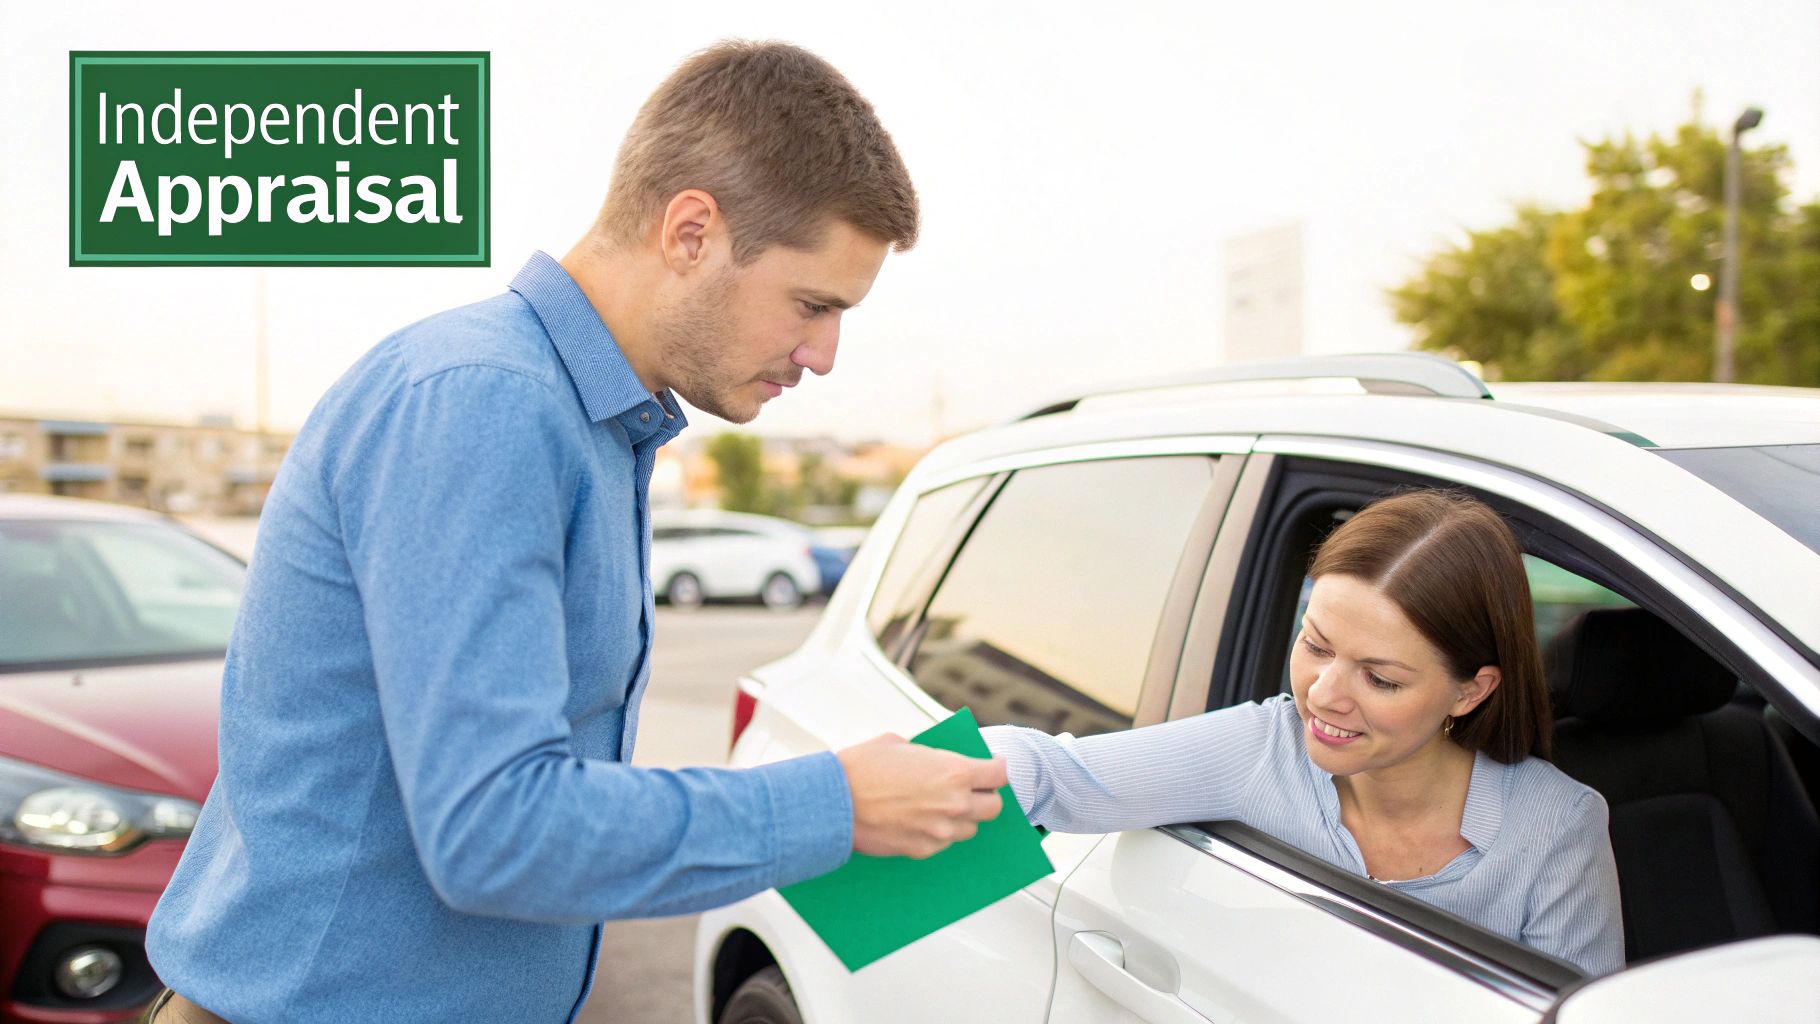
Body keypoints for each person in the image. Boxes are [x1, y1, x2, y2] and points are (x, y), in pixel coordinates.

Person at [142, 41, 1006, 1024]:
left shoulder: (593, 423)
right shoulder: (485, 404)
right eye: (812, 304)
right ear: (690, 231)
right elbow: (493, 831)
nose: (823, 354)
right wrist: (838, 806)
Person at [982, 489, 1625, 976]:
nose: (1321, 695)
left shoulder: (1556, 825)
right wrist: (878, 794)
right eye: (1315, 645)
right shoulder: (1262, 749)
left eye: (1380, 679)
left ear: (1471, 689)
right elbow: (1050, 776)